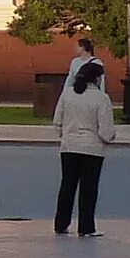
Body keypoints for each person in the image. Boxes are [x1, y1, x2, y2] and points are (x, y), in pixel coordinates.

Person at [51, 54, 115, 236]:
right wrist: (110, 137)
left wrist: (66, 135)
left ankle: (61, 223)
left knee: (67, 186)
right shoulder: (101, 99)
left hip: (69, 146)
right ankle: (86, 227)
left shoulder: (68, 94)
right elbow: (105, 130)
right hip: (92, 149)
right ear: (96, 78)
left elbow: (57, 121)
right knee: (88, 189)